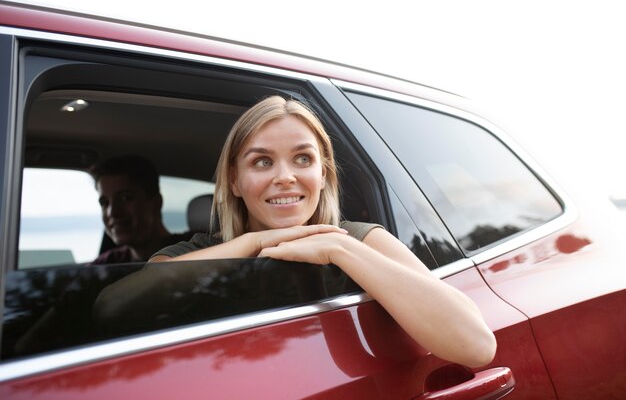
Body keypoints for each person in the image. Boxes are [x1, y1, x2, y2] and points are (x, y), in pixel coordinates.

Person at [143, 95, 497, 367]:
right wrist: (255, 241)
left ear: (323, 174)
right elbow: (112, 308)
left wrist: (339, 249)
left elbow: (476, 346)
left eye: (303, 159)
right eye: (263, 162)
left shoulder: (358, 239)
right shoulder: (199, 251)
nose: (285, 177)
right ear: (234, 180)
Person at [90, 154, 188, 264]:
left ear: (156, 202)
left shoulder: (194, 252)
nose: (113, 212)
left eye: (125, 198)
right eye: (104, 203)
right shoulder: (106, 264)